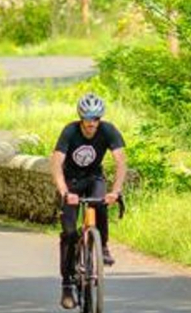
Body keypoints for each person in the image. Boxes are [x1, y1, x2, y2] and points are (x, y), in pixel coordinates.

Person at [51, 92, 125, 309]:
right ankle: (67, 284)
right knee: (70, 234)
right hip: (71, 182)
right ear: (81, 118)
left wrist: (116, 191)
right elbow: (56, 164)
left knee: (100, 202)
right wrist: (65, 192)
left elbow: (121, 163)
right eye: (88, 120)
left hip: (94, 178)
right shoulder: (70, 131)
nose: (92, 124)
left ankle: (103, 247)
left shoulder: (108, 130)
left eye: (96, 119)